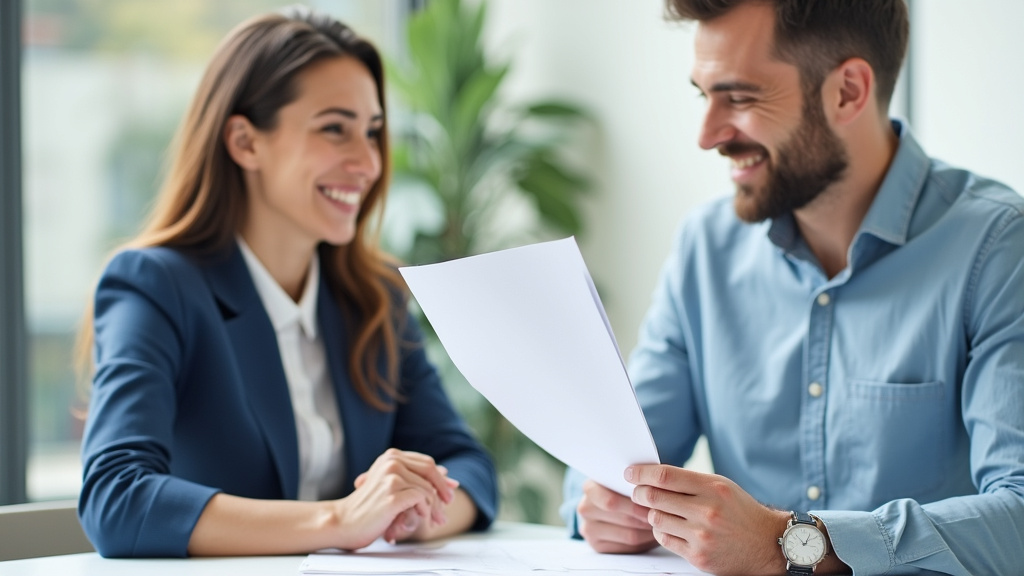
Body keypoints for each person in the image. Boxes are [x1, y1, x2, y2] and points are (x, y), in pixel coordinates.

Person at [562, 1, 1024, 575]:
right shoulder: (705, 249)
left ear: (848, 92)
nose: (707, 135)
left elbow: (1020, 514)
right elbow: (619, 461)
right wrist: (603, 504)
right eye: (703, 95)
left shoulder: (999, 248)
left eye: (741, 98)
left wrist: (790, 543)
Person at [76, 8, 497, 558]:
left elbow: (471, 470)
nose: (368, 162)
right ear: (246, 142)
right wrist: (338, 520)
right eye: (334, 129)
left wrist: (416, 510)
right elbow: (116, 497)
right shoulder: (157, 286)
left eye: (372, 132)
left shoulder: (374, 297)